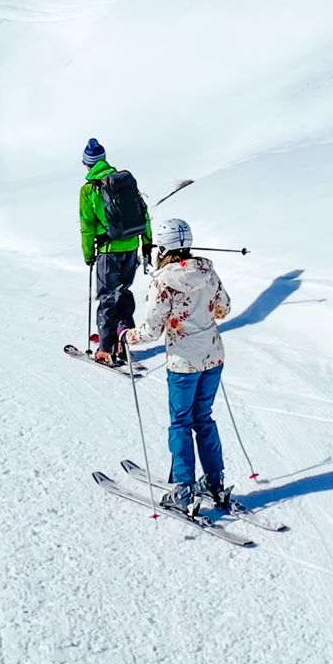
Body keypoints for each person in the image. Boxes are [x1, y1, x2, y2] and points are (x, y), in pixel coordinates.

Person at [121, 217, 233, 513]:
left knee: (181, 422)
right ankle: (214, 482)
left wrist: (126, 336)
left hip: (183, 363)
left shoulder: (163, 280)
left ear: (163, 246)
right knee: (203, 418)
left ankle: (184, 488)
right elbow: (224, 308)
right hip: (213, 356)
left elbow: (151, 330)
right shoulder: (207, 271)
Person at [78, 138, 152, 364]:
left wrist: (88, 254)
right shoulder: (124, 181)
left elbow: (87, 226)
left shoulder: (89, 189)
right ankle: (125, 341)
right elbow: (143, 212)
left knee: (107, 297)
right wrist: (147, 242)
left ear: (87, 163)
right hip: (131, 246)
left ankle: (106, 347)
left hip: (108, 250)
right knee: (123, 292)